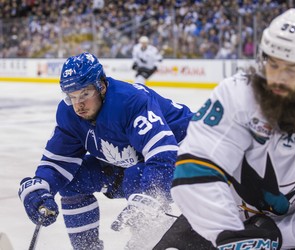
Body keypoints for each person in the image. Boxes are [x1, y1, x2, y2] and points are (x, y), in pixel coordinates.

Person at [154, 9, 295, 250]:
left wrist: (270, 238)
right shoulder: (235, 94)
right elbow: (193, 170)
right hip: (218, 220)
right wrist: (230, 236)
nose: (277, 79)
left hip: (289, 237)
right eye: (273, 64)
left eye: (293, 69)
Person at [18, 52, 194, 250]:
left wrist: (151, 195)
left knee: (136, 177)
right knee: (72, 182)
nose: (78, 105)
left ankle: (150, 240)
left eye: (84, 94)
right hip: (133, 162)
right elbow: (57, 162)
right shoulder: (69, 114)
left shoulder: (129, 101)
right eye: (72, 96)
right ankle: (87, 248)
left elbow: (163, 152)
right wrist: (40, 188)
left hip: (190, 159)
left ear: (101, 86)